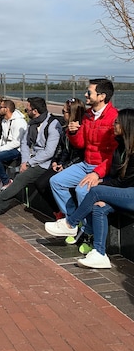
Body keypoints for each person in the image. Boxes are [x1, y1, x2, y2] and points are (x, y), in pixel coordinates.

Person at [45, 108, 134, 269]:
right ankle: (100, 254)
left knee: (95, 190)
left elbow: (124, 182)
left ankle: (70, 224)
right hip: (123, 192)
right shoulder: (120, 147)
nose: (114, 124)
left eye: (117, 122)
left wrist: (101, 185)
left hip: (131, 193)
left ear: (127, 125)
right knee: (98, 207)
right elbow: (116, 177)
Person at [49, 78, 118, 253]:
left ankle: (88, 232)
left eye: (89, 92)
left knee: (82, 190)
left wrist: (97, 173)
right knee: (56, 182)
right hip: (85, 164)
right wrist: (73, 132)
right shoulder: (87, 115)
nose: (85, 95)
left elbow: (114, 155)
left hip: (101, 169)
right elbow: (80, 144)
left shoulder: (114, 118)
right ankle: (73, 221)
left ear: (101, 96)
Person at [0, 97, 62, 218]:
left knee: (20, 179)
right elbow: (24, 143)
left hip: (45, 163)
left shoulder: (52, 124)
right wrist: (24, 161)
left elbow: (49, 152)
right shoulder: (32, 123)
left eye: (27, 109)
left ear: (35, 111)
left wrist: (29, 163)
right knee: (19, 181)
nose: (26, 111)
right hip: (32, 158)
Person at [34, 98, 85, 215]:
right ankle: (59, 211)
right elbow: (61, 148)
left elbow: (81, 154)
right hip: (64, 163)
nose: (62, 115)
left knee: (48, 182)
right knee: (40, 183)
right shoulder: (65, 128)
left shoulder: (80, 130)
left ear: (73, 113)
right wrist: (56, 161)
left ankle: (69, 214)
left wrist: (65, 166)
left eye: (64, 112)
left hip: (74, 165)